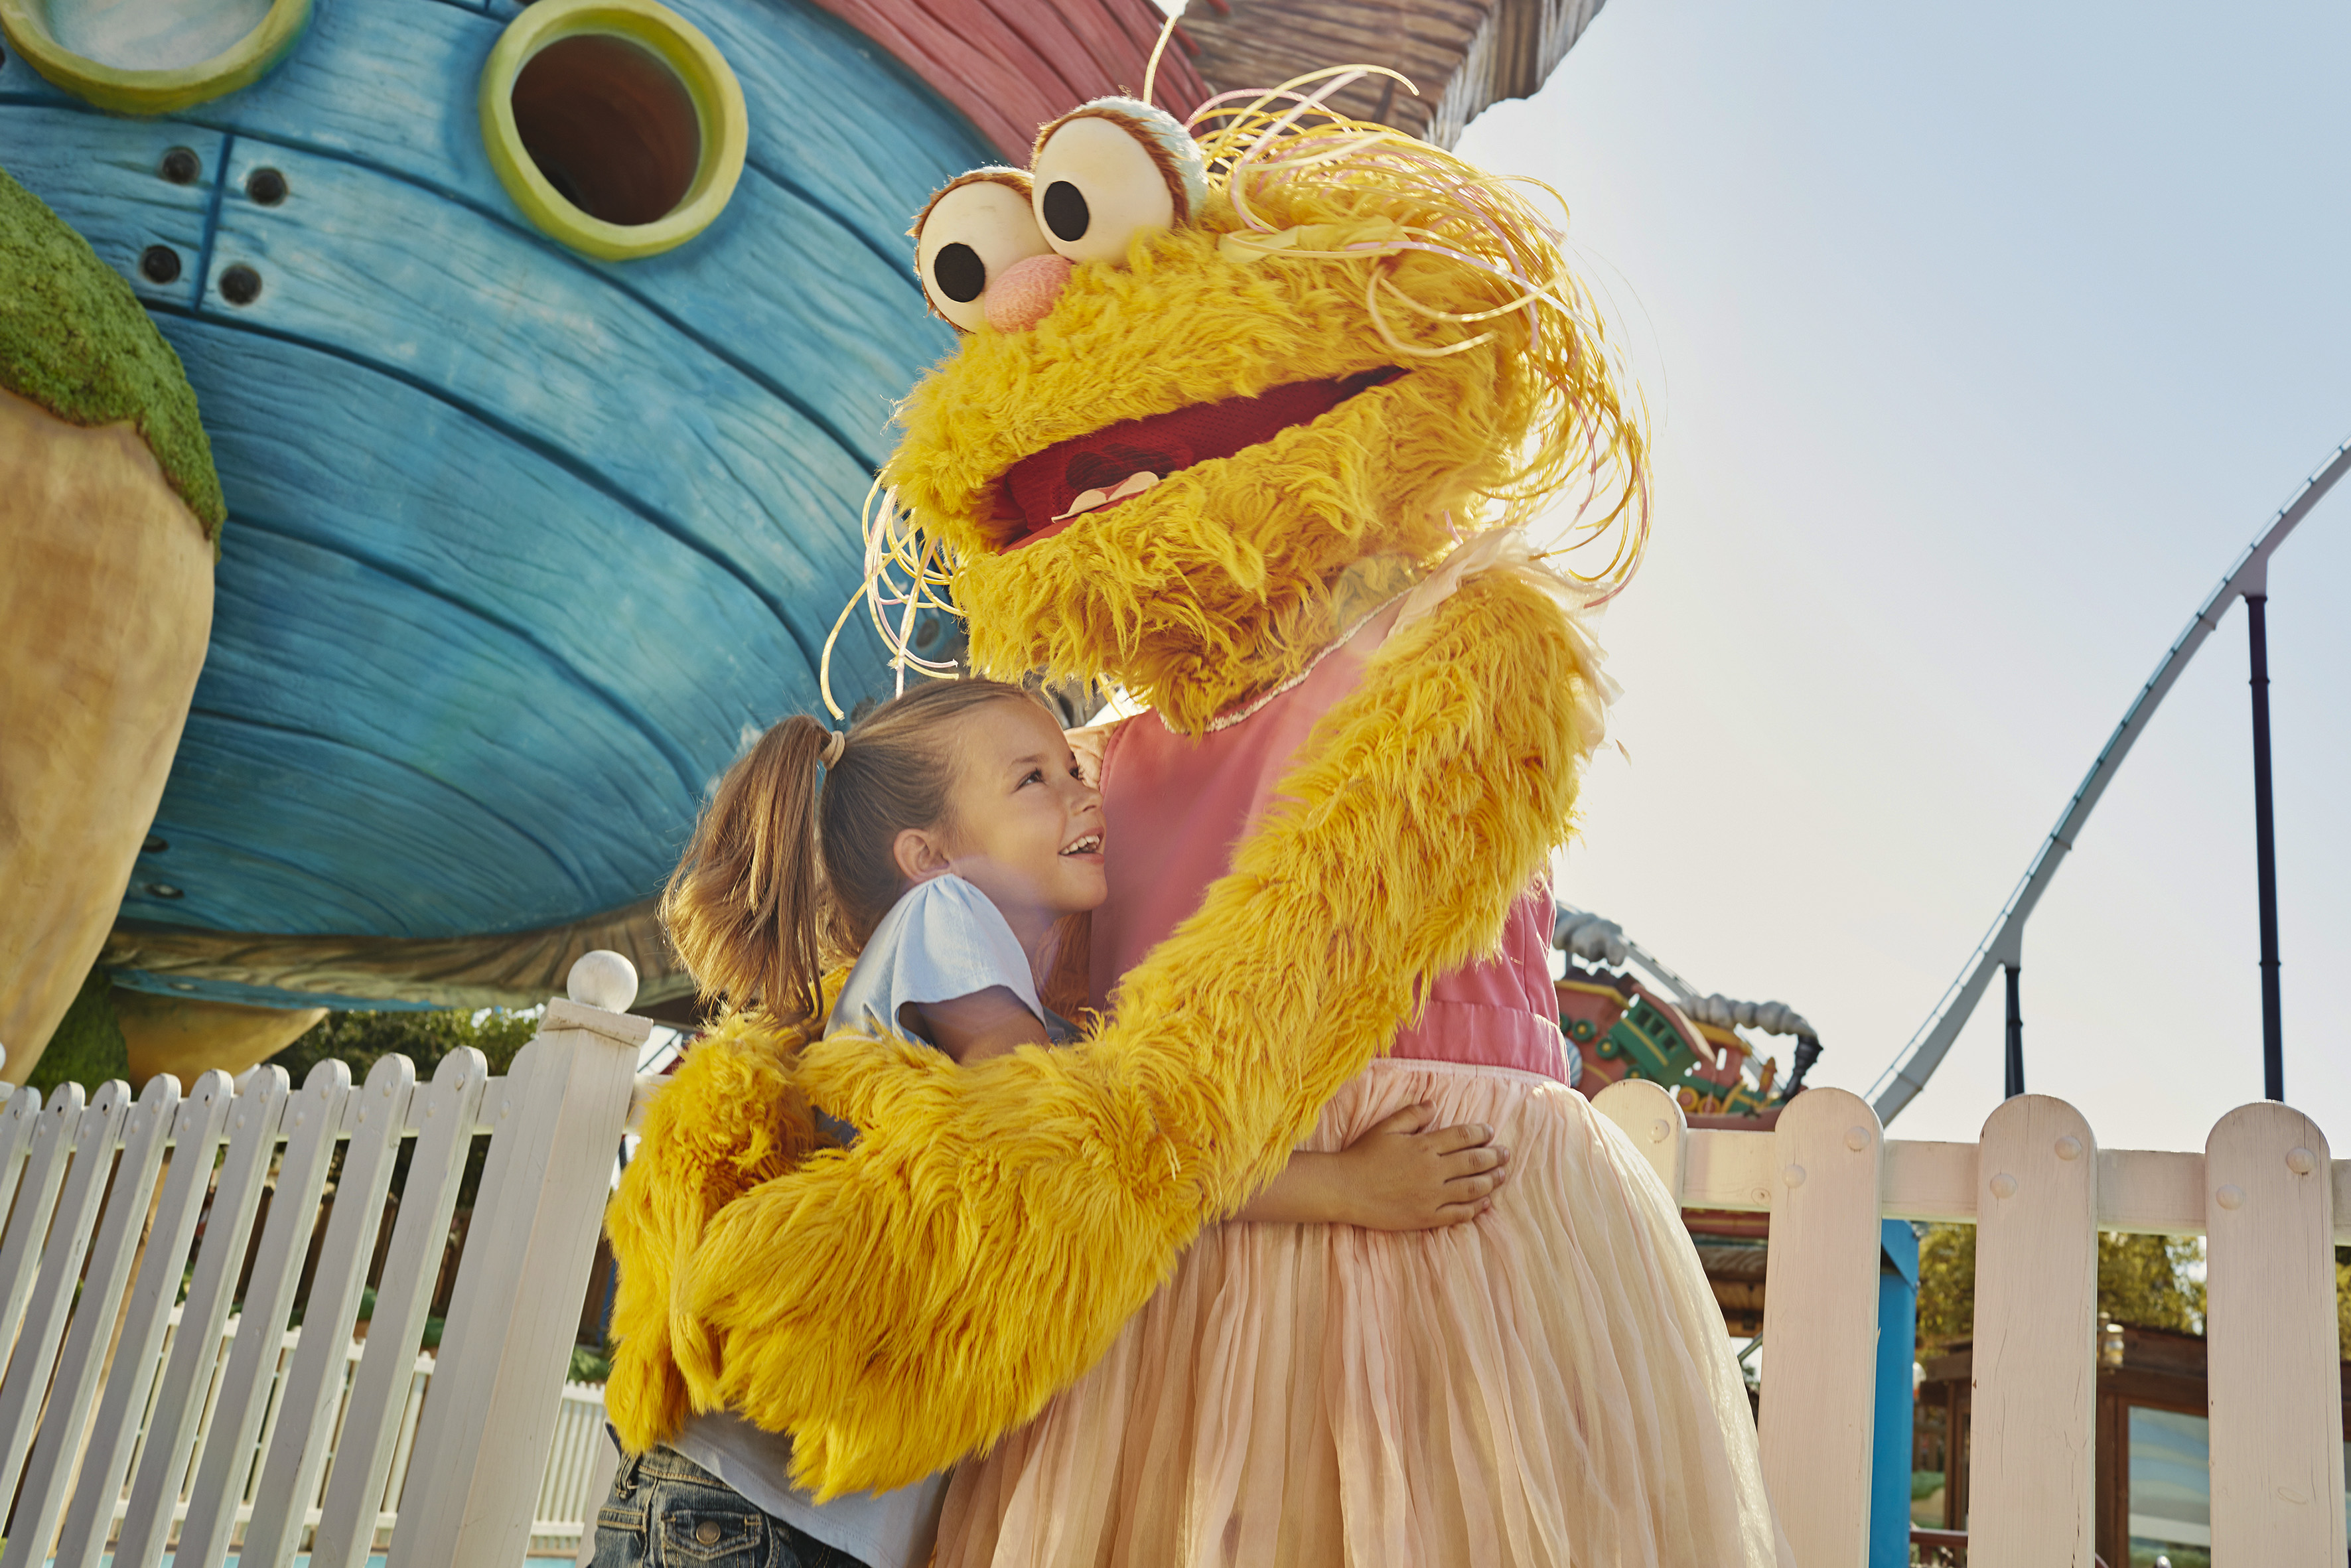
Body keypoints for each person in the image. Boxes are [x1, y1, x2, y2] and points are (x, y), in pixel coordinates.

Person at [591, 677, 1515, 1568]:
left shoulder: (1004, 996)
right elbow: (1091, 1153)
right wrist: (1345, 1185)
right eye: (1034, 779)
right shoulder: (945, 918)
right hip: (746, 1512)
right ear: (931, 856)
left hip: (797, 1513)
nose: (1083, 795)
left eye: (1075, 770)